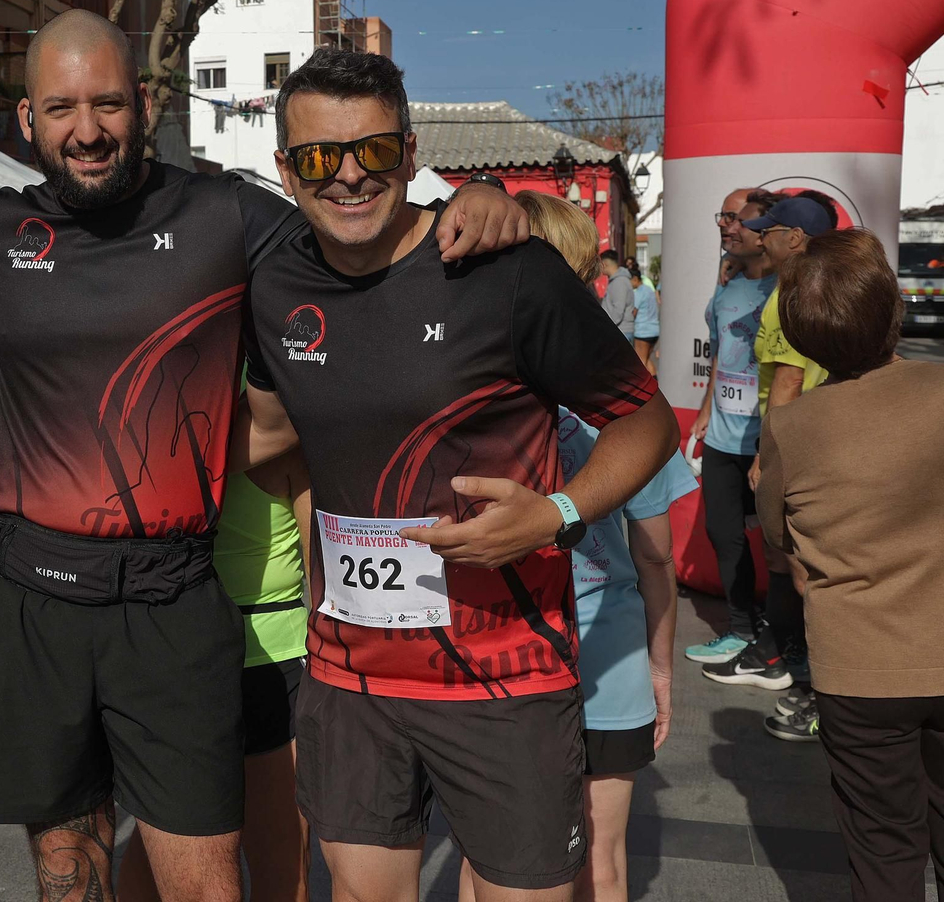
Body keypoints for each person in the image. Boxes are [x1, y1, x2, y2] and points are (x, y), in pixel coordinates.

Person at [0, 10, 529, 902]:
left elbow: (352, 234)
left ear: (148, 102)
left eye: (109, 103)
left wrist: (460, 202)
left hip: (171, 596)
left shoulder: (224, 214)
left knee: (206, 883)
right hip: (25, 597)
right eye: (62, 107)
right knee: (66, 877)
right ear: (27, 120)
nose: (87, 129)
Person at [238, 50, 679, 902]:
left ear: (409, 152)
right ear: (285, 169)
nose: (350, 177)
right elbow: (271, 435)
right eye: (321, 158)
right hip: (351, 678)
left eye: (373, 150)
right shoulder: (275, 284)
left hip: (503, 676)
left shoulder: (504, 272)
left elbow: (649, 422)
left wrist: (556, 513)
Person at [448, 191, 688, 902]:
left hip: (497, 663)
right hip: (607, 669)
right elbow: (654, 559)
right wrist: (661, 668)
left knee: (488, 861)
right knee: (603, 860)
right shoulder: (625, 408)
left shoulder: (471, 409)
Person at [755, 228, 944, 902]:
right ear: (893, 311)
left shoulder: (791, 427)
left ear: (802, 336)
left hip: (857, 669)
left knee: (883, 851)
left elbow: (779, 534)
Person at [119, 448, 314, 902]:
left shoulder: (166, 418)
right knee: (278, 870)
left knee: (166, 855)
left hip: (210, 652)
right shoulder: (285, 418)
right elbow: (321, 574)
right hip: (252, 657)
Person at [738, 196, 835, 736]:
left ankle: (829, 697)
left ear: (795, 239)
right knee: (800, 574)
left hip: (800, 452)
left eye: (768, 231)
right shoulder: (808, 289)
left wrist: (767, 458)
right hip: (815, 445)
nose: (760, 239)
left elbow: (790, 383)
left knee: (806, 577)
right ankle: (815, 682)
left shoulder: (794, 296)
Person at [684, 195, 784, 686]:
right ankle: (742, 631)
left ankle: (784, 647)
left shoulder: (789, 286)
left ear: (764, 229)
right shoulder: (725, 288)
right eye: (720, 216)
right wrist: (705, 413)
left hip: (774, 440)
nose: (723, 225)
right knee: (723, 535)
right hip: (724, 437)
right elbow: (722, 353)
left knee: (780, 547)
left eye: (733, 218)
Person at [629, 262, 660, 372]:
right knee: (647, 360)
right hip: (655, 330)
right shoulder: (649, 290)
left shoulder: (638, 293)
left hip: (643, 331)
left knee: (641, 363)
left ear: (635, 279)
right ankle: (655, 385)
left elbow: (634, 312)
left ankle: (644, 388)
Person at [599, 250, 635, 338]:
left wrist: (605, 327)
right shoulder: (616, 280)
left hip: (621, 332)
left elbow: (618, 310)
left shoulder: (619, 282)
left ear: (605, 263)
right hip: (619, 330)